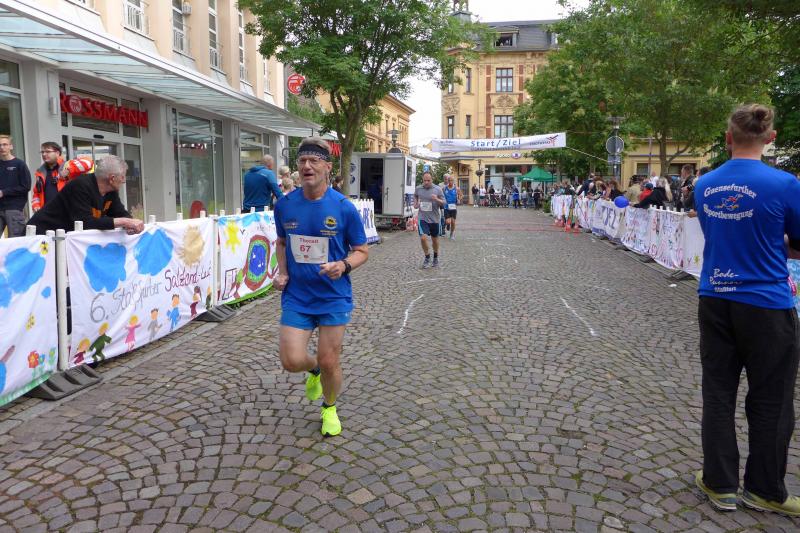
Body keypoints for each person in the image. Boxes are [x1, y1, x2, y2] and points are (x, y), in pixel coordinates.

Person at [693, 104, 800, 516]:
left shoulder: (705, 184)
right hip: (767, 303)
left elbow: (718, 232)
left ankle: (720, 483)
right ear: (770, 139)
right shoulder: (785, 184)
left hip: (716, 297)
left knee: (719, 392)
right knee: (772, 398)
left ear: (728, 139)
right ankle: (765, 489)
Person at [273, 137, 368, 438]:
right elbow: (281, 242)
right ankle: (313, 371)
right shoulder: (285, 205)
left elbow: (362, 250)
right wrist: (282, 272)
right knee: (291, 361)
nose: (307, 166)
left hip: (333, 296)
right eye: (302, 161)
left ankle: (329, 408)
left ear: (327, 167)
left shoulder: (343, 208)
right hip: (298, 295)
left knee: (330, 360)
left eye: (314, 161)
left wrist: (344, 265)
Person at [28, 155, 144, 235]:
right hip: (41, 235)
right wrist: (124, 222)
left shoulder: (111, 191)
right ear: (112, 178)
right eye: (123, 176)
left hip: (61, 238)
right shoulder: (80, 186)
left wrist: (130, 223)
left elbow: (119, 212)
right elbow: (85, 222)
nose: (124, 181)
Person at [31, 142, 80, 212]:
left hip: (67, 212)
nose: (44, 154)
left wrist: (69, 170)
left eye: (48, 152)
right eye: (42, 152)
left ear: (57, 153)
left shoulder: (67, 166)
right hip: (47, 213)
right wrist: (36, 205)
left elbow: (89, 162)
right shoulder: (41, 172)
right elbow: (37, 193)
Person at [0, 135, 32, 237]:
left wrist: (4, 192)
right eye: (0, 145)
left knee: (15, 241)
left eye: (5, 144)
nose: (2, 147)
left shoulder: (19, 164)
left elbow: (26, 187)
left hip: (14, 209)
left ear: (11, 146)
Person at [414, 171, 444, 267]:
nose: (426, 182)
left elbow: (444, 202)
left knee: (435, 240)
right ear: (422, 180)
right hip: (422, 218)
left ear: (432, 180)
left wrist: (436, 199)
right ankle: (427, 257)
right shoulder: (418, 188)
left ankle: (435, 257)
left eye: (428, 180)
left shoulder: (438, 189)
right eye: (424, 180)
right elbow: (415, 196)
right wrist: (416, 203)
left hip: (435, 219)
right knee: (423, 238)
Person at [442, 174, 461, 240]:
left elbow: (461, 195)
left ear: (453, 181)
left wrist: (459, 199)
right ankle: (447, 224)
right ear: (447, 181)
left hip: (453, 207)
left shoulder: (457, 188)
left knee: (453, 221)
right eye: (449, 180)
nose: (450, 182)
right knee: (448, 222)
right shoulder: (444, 188)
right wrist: (442, 201)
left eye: (451, 180)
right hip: (446, 207)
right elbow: (441, 196)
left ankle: (452, 234)